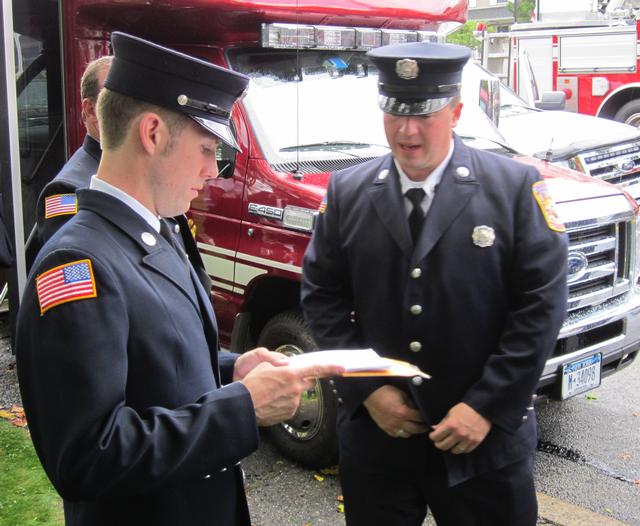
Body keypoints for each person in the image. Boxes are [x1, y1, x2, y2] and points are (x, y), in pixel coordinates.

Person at [16, 32, 343, 526]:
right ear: (152, 134)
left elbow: (156, 362)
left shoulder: (155, 230)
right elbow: (88, 455)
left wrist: (232, 369)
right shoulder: (76, 266)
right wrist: (243, 409)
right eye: (208, 148)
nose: (214, 169)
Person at [301, 41, 568, 526]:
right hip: (379, 445)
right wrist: (368, 390)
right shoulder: (347, 192)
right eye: (395, 112)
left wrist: (485, 407)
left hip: (483, 450)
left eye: (424, 113)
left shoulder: (514, 190)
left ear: (457, 111)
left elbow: (541, 306)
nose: (407, 130)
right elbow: (322, 298)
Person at [25, 55, 210, 291]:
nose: (128, 108)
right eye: (113, 98)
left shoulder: (145, 175)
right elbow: (94, 282)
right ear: (91, 110)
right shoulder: (68, 189)